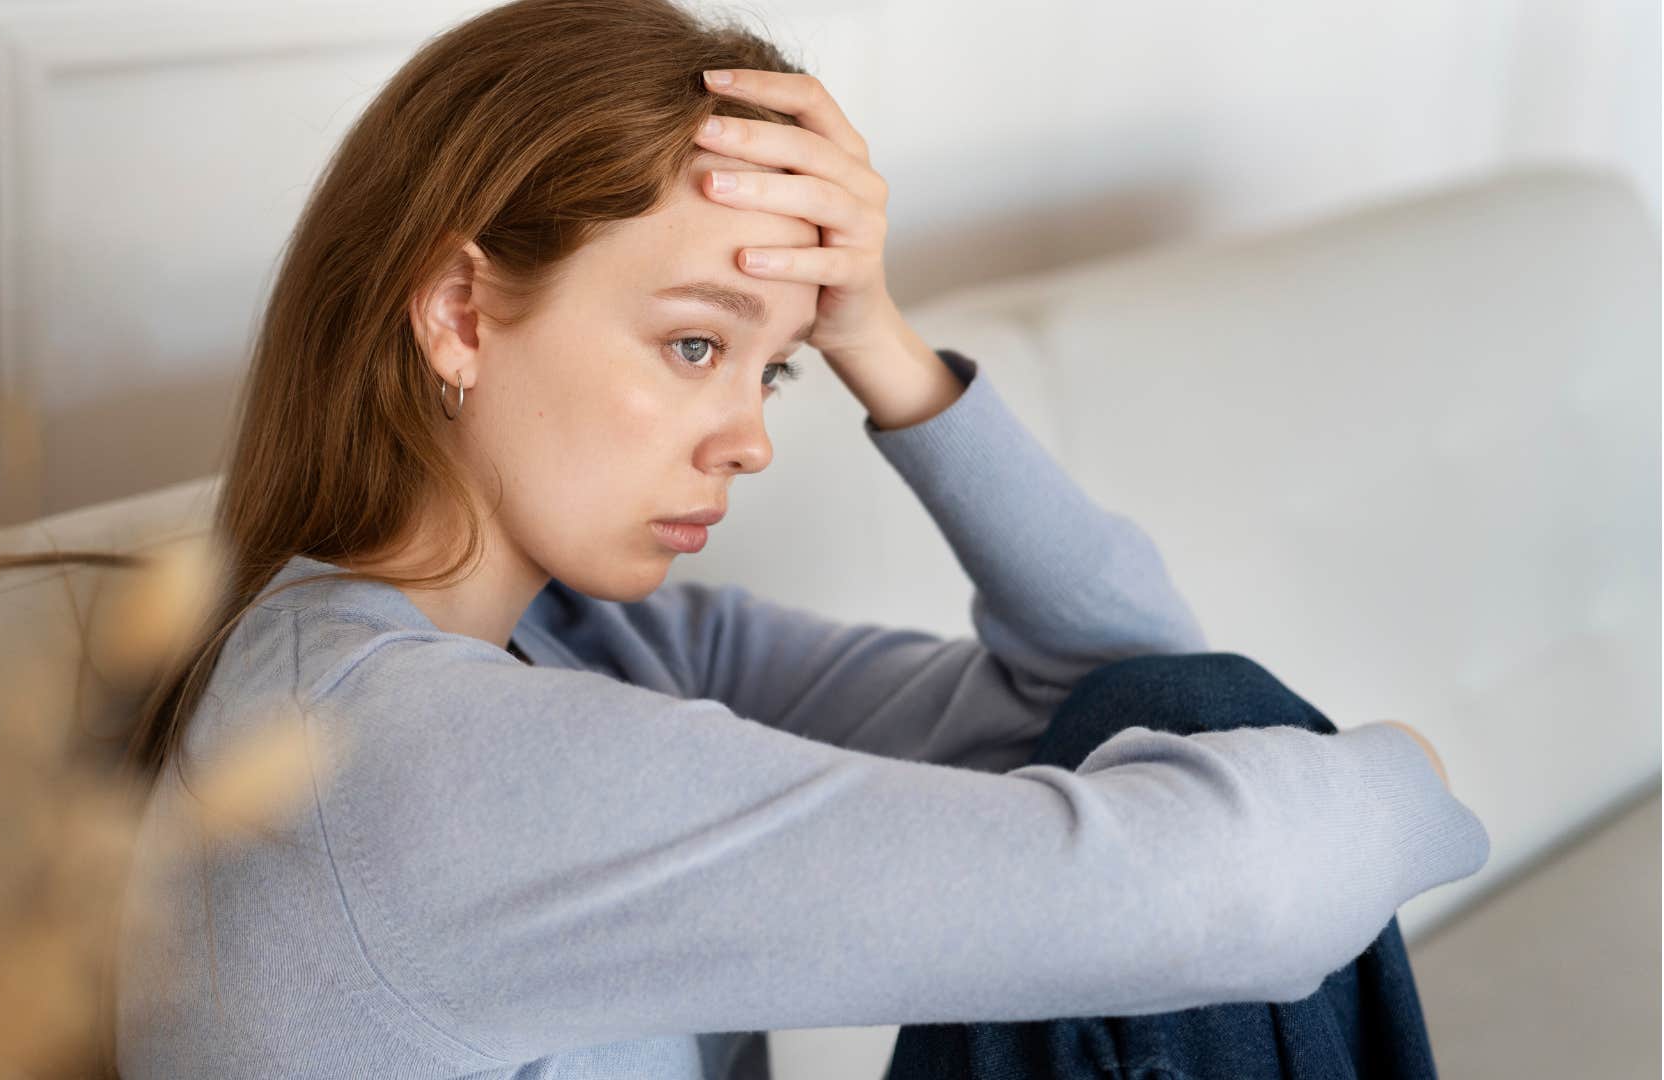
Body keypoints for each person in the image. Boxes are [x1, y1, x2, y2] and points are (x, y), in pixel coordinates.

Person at [110, 1, 1490, 1077]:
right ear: (461, 316)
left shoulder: (599, 640)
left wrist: (872, 335)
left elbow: (1122, 679)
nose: (749, 438)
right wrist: (1412, 773)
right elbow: (1231, 895)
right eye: (695, 340)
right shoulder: (391, 759)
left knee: (1190, 713)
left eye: (769, 371)